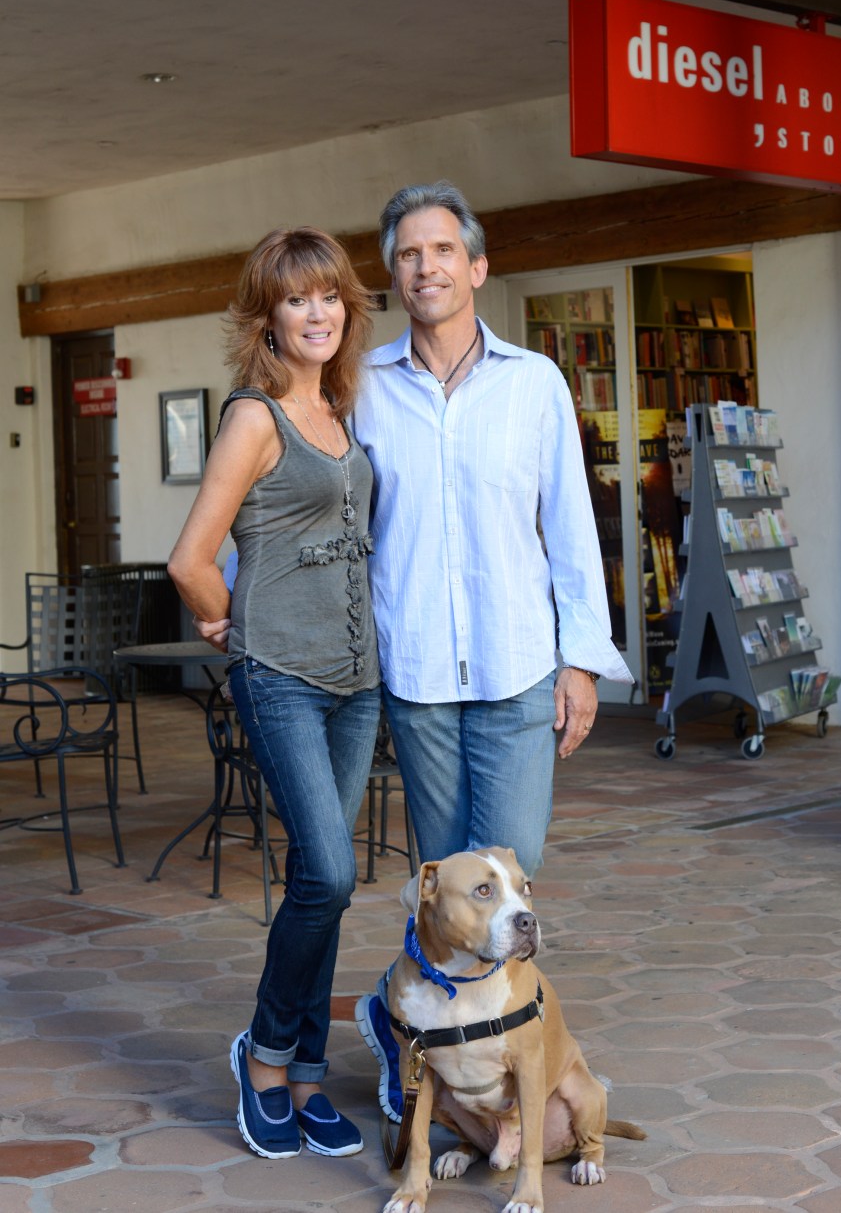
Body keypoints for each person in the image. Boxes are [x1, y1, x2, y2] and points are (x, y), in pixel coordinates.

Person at [350, 180, 631, 1122]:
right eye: (406, 255)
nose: (424, 267)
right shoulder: (364, 388)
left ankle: (508, 1061)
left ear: (476, 267)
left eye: (440, 251)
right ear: (394, 277)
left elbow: (571, 530)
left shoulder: (535, 383)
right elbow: (314, 497)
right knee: (447, 887)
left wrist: (581, 660)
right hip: (418, 674)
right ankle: (424, 1057)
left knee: (511, 880)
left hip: (518, 668)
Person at [167, 226, 381, 1162]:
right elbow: (190, 560)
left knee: (323, 889)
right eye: (297, 299)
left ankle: (303, 1076)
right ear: (268, 317)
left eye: (329, 295)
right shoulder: (254, 417)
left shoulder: (343, 413)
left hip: (358, 682)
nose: (317, 312)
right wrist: (228, 624)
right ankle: (262, 1058)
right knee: (327, 871)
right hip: (283, 678)